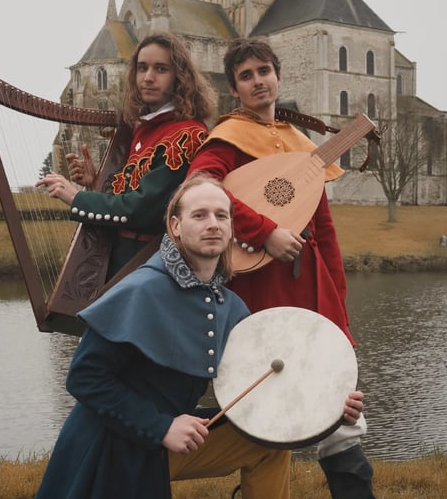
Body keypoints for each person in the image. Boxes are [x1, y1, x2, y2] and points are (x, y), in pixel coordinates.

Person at [187, 37, 376, 499]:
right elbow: (201, 185)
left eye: (264, 71)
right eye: (246, 76)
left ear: (278, 76)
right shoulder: (228, 137)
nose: (258, 81)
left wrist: (339, 306)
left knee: (339, 401)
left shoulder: (299, 143)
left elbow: (323, 229)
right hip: (261, 289)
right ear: (235, 88)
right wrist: (262, 231)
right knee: (269, 395)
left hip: (313, 284)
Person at [34, 174, 295, 499]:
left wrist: (325, 405)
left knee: (269, 444)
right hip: (112, 443)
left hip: (171, 435)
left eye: (221, 215)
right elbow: (84, 378)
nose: (212, 224)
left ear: (231, 228)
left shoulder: (231, 306)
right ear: (175, 226)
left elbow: (263, 378)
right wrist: (161, 427)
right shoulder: (140, 290)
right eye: (199, 215)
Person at [35, 32, 215, 279]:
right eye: (142, 68)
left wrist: (76, 197)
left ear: (179, 78)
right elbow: (130, 192)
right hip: (123, 257)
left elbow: (142, 210)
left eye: (160, 69)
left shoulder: (187, 134)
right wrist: (96, 182)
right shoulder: (141, 128)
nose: (148, 78)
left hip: (152, 265)